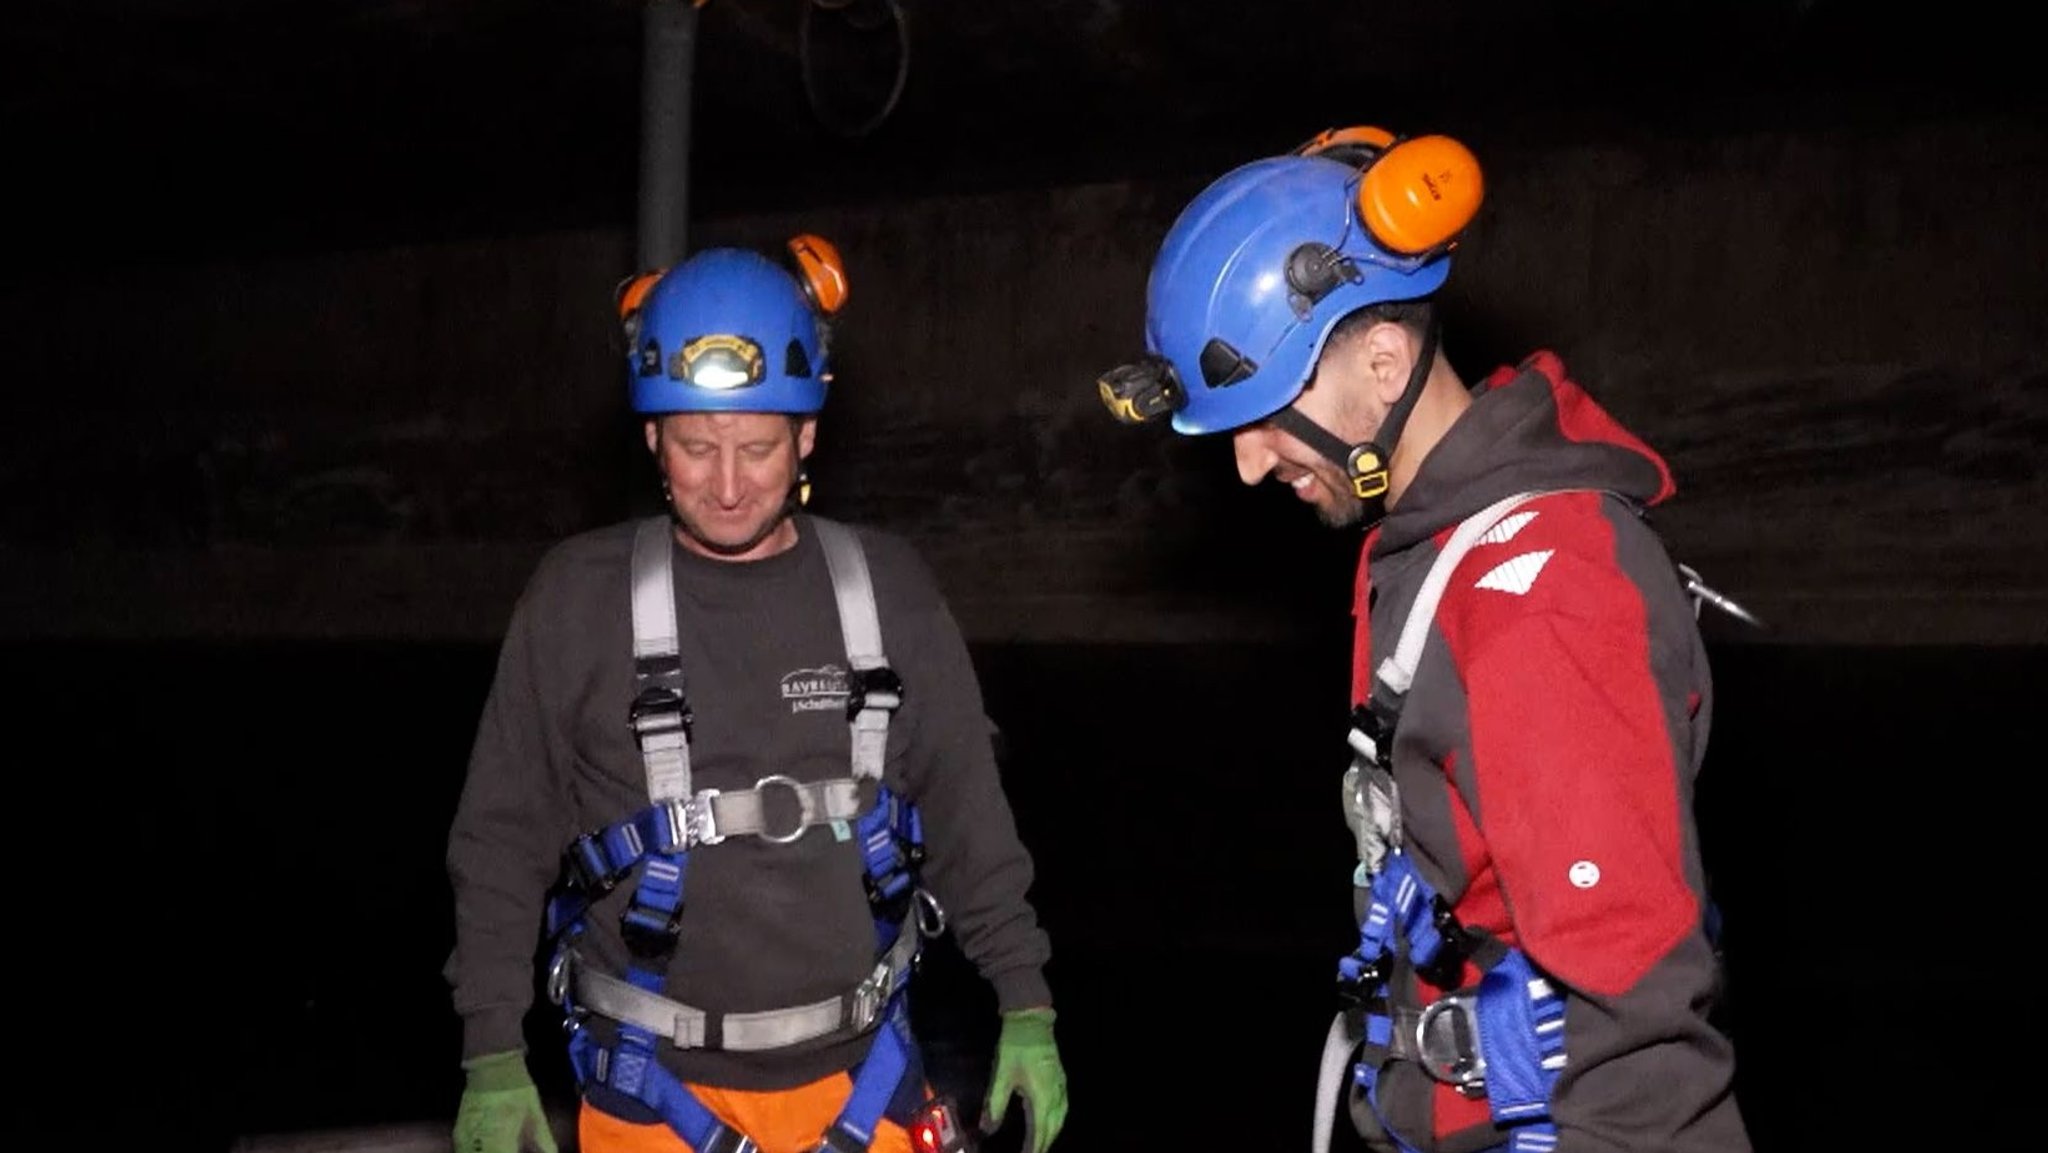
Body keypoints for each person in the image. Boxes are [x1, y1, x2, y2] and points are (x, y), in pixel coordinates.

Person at [1096, 125, 1753, 1153]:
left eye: (1266, 416)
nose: (1248, 465)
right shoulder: (1422, 543)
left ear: (1384, 356)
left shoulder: (1541, 595)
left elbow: (1638, 1040)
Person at [445, 238, 1069, 1153]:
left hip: (869, 1084)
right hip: (648, 1095)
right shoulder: (576, 599)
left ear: (808, 433)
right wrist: (491, 1051)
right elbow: (500, 840)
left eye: (759, 447)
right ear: (652, 435)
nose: (728, 485)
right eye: (697, 446)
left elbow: (966, 806)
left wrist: (1027, 998)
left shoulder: (887, 590)